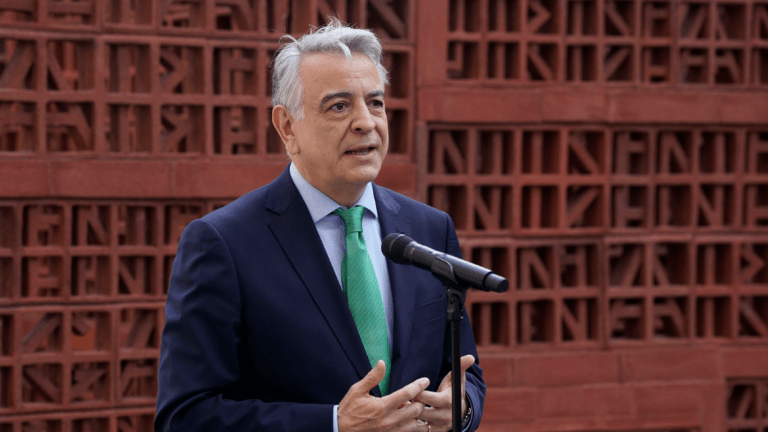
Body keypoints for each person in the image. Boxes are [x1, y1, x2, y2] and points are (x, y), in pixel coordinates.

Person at [154, 18, 485, 432]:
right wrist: (333, 424)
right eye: (339, 106)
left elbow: (465, 371)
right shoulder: (223, 243)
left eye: (376, 103)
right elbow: (185, 415)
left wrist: (461, 408)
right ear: (287, 126)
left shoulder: (429, 228)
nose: (366, 122)